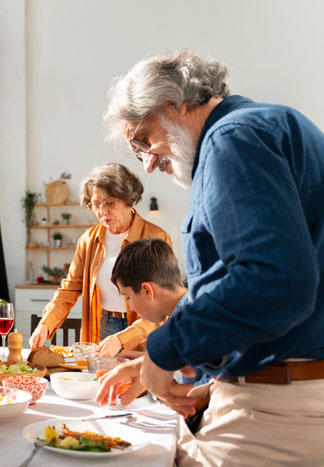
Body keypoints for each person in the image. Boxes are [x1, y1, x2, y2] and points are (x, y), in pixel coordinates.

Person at [97, 50, 324, 465]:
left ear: (175, 104)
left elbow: (274, 282)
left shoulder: (231, 138)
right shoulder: (280, 125)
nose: (147, 163)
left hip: (278, 413)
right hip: (291, 393)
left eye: (143, 139)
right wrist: (209, 381)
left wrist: (165, 349)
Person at [29, 163, 172, 349]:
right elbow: (70, 288)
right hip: (105, 323)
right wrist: (45, 325)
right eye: (95, 204)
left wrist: (123, 339)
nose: (102, 211)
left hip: (144, 328)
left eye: (110, 202)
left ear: (130, 200)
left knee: (139, 377)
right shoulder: (88, 240)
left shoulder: (156, 238)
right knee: (101, 377)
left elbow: (164, 303)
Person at [96, 238, 188, 360]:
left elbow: (188, 376)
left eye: (128, 297)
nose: (131, 308)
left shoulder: (190, 324)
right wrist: (142, 359)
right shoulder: (188, 312)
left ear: (147, 290)